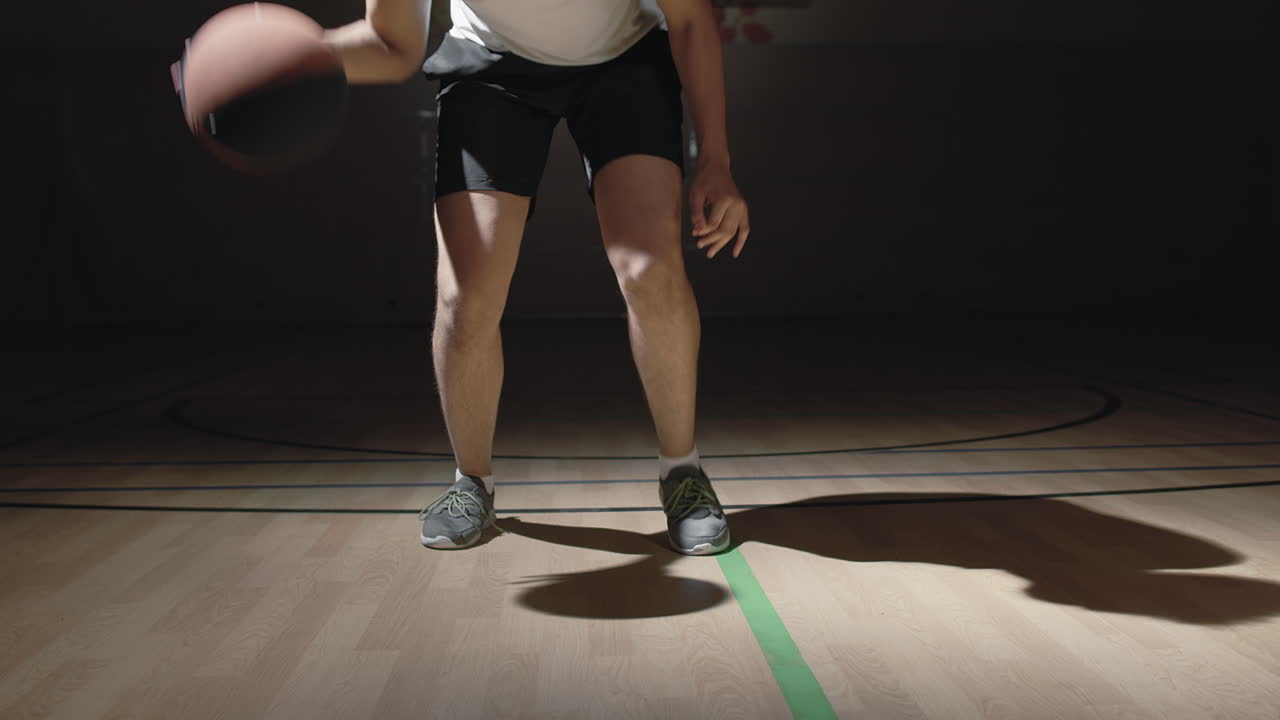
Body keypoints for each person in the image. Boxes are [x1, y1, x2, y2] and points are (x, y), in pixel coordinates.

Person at [323, 0, 750, 554]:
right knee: (466, 296)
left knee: (651, 272)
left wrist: (716, 160)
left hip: (625, 59)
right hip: (490, 66)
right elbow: (392, 44)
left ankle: (683, 471)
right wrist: (291, 57)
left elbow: (691, 19)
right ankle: (471, 482)